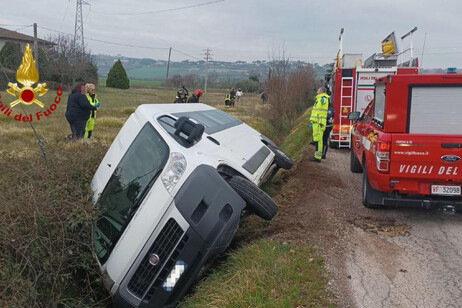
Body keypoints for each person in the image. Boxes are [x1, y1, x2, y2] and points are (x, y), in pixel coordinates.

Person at [308, 87, 330, 163]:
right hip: (316, 122)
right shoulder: (318, 99)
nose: (317, 91)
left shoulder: (323, 98)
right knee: (317, 139)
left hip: (319, 123)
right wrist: (312, 121)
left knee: (318, 140)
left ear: (321, 91)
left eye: (318, 90)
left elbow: (324, 102)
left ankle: (317, 157)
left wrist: (323, 98)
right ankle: (317, 156)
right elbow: (316, 112)